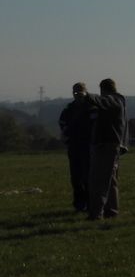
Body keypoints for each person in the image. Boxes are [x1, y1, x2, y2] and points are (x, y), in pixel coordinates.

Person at [84, 78, 128, 220]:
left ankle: (96, 213)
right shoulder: (119, 101)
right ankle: (112, 210)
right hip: (113, 145)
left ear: (103, 89)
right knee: (111, 179)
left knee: (99, 180)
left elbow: (102, 101)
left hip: (105, 145)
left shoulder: (112, 100)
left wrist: (86, 95)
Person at [58, 82, 92, 212]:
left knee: (87, 176)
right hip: (74, 145)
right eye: (76, 93)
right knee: (76, 177)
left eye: (80, 93)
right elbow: (62, 123)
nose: (78, 95)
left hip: (87, 145)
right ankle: (80, 203)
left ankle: (89, 202)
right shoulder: (69, 109)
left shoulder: (90, 107)